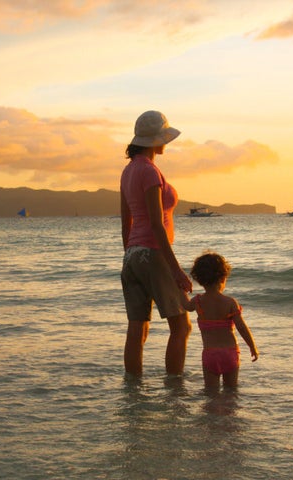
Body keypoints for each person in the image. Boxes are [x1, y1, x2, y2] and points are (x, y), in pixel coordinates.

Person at [120, 110, 193, 377]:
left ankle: (133, 394)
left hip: (132, 256)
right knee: (181, 326)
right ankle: (175, 392)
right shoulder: (149, 172)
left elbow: (125, 222)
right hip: (153, 253)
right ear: (156, 140)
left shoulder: (128, 171)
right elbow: (155, 223)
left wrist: (129, 255)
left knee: (137, 327)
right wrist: (175, 270)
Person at [182, 251, 259, 390]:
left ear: (199, 280)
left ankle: (211, 412)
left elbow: (186, 306)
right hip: (230, 353)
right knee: (231, 392)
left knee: (211, 393)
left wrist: (181, 290)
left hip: (210, 354)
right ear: (223, 278)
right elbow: (242, 327)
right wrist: (252, 346)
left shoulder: (198, 301)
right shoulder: (230, 302)